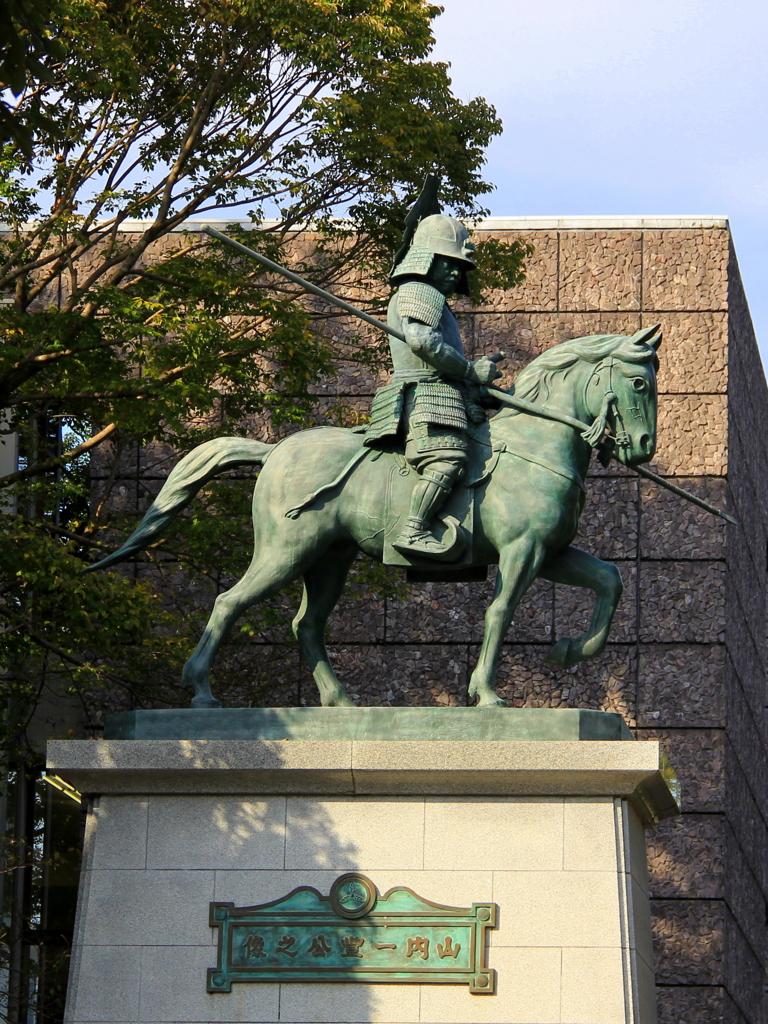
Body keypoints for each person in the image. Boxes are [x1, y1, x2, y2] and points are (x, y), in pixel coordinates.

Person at [363, 212, 505, 559]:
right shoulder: (418, 291)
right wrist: (471, 371)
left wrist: (479, 388)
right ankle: (414, 529)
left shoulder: (435, 299)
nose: (455, 272)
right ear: (425, 260)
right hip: (425, 395)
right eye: (447, 263)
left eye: (459, 266)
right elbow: (423, 342)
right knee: (448, 457)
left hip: (445, 394)